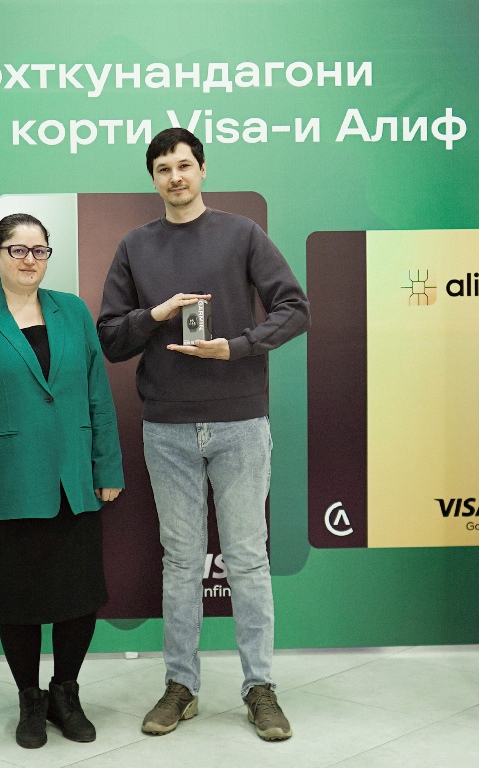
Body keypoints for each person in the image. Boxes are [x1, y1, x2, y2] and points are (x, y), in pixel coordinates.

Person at [97, 128, 310, 741]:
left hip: (241, 423)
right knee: (181, 562)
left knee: (247, 559)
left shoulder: (242, 233)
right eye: (163, 168)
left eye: (184, 165)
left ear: (202, 170)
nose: (175, 176)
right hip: (166, 427)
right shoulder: (135, 246)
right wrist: (155, 315)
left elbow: (294, 308)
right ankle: (181, 687)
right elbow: (110, 336)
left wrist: (236, 347)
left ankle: (259, 687)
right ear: (153, 179)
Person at [0, 213, 124, 750]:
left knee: (77, 597)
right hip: (4, 483)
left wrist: (107, 466)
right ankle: (30, 699)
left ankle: (66, 692)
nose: (29, 260)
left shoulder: (73, 310)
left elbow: (97, 395)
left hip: (72, 480)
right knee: (17, 600)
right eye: (17, 250)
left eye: (39, 250)